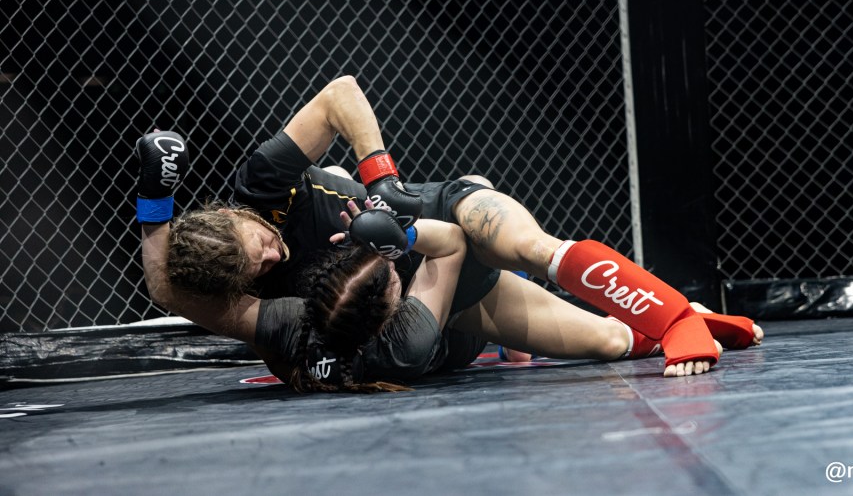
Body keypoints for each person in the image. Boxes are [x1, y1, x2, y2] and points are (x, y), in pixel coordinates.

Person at [136, 76, 762, 386]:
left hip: (441, 214)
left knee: (531, 247)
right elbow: (169, 289)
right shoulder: (254, 299)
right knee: (608, 342)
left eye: (263, 244)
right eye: (262, 270)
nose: (275, 257)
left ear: (234, 214)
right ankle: (690, 316)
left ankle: (678, 317)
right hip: (441, 293)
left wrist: (381, 181)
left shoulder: (262, 182)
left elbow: (340, 94)